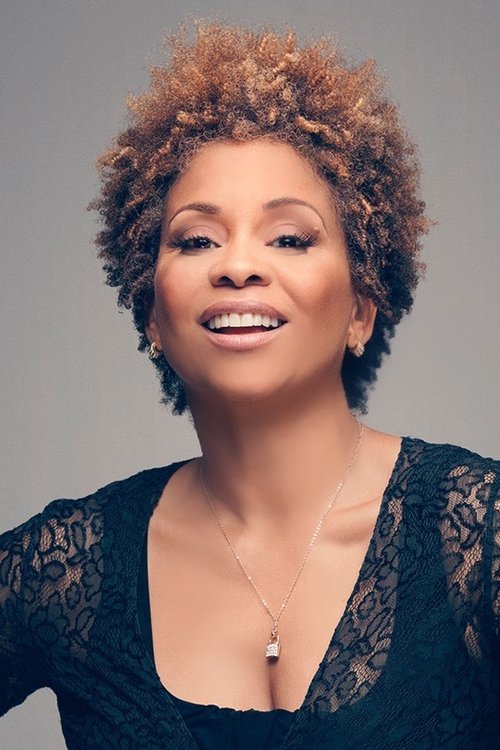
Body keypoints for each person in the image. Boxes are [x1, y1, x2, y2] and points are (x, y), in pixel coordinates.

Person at [0, 21, 498, 750]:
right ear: (152, 315)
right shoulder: (69, 568)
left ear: (361, 310)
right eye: (196, 239)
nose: (237, 266)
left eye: (289, 237)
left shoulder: (477, 539)